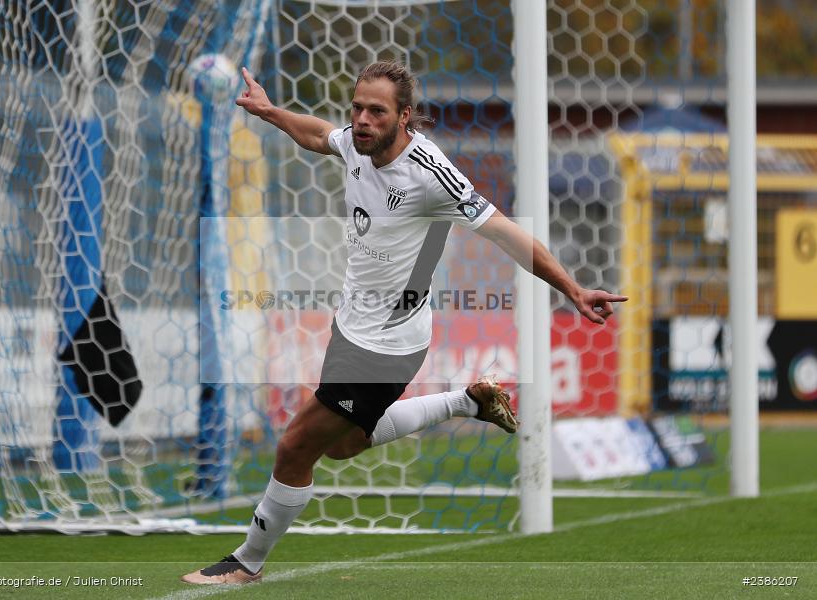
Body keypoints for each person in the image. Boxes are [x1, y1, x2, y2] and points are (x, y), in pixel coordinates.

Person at [182, 61, 627, 585]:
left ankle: (246, 562)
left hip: (388, 343)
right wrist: (269, 112)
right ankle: (467, 401)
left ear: (405, 116)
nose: (362, 120)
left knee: (294, 445)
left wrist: (572, 288)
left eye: (377, 111)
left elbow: (508, 233)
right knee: (343, 445)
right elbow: (318, 134)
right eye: (358, 108)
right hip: (352, 326)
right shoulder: (355, 142)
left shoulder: (430, 173)